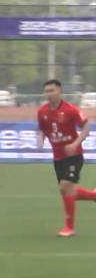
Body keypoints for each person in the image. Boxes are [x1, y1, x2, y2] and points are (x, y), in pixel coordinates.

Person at [37, 79, 96, 236]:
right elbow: (42, 128)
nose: (49, 94)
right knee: (69, 191)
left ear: (60, 91)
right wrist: (41, 139)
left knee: (64, 187)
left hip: (74, 155)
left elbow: (86, 128)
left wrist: (75, 144)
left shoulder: (71, 110)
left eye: (52, 90)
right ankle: (94, 195)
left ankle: (69, 228)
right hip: (58, 157)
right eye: (47, 91)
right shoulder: (42, 111)